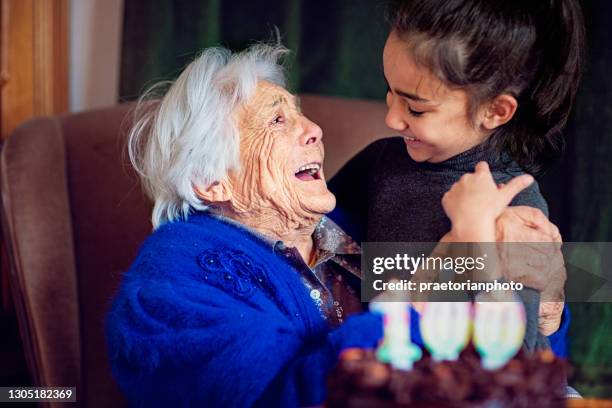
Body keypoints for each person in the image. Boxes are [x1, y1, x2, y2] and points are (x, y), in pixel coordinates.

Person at [106, 43, 553, 407]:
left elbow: (524, 361)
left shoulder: (356, 225)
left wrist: (548, 296)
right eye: (278, 120)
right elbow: (272, 397)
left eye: (300, 112)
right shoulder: (170, 282)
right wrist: (454, 262)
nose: (314, 129)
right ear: (212, 180)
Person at [329, 0, 583, 355]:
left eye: (415, 108)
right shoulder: (381, 161)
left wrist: (474, 240)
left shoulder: (514, 210)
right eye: (390, 92)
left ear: (495, 110)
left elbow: (518, 352)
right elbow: (314, 230)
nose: (392, 119)